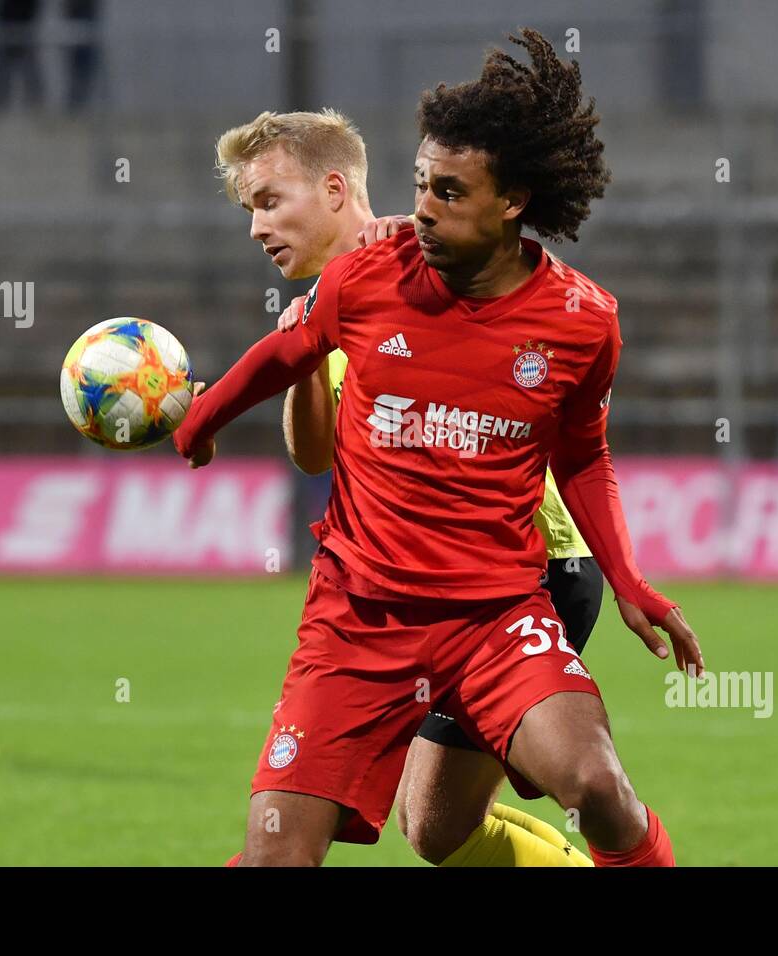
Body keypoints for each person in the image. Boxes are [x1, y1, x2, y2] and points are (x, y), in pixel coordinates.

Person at [179, 29, 704, 867]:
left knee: (583, 791)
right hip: (362, 609)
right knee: (420, 834)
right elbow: (304, 424)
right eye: (422, 185)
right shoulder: (354, 285)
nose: (257, 227)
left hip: (518, 584)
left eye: (270, 202)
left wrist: (631, 577)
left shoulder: (576, 319)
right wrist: (210, 411)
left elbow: (582, 454)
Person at [215, 108, 601, 865]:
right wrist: (303, 353)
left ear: (334, 189)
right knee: (436, 830)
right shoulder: (335, 298)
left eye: (269, 202)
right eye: (248, 212)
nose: (257, 229)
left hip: (528, 569)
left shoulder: (412, 260)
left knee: (444, 823)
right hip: (424, 587)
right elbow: (313, 457)